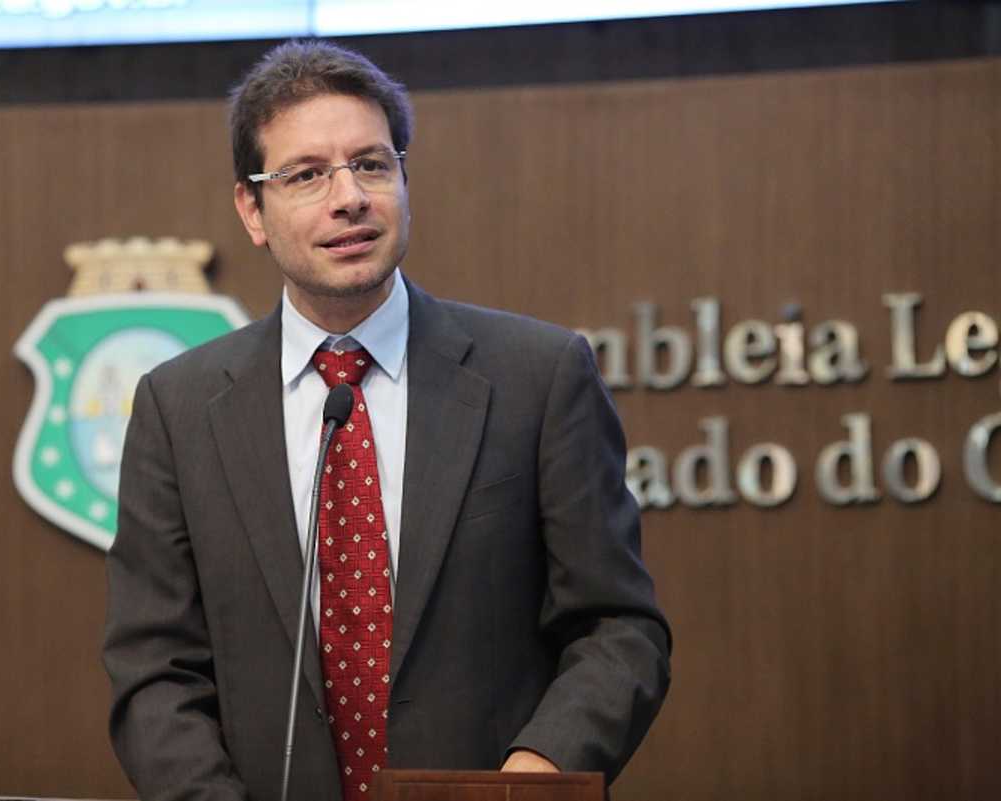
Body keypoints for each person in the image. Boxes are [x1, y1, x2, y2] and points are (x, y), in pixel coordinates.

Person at [103, 39, 671, 801]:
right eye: (307, 175)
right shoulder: (180, 408)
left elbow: (619, 629)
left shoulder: (537, 375)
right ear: (252, 209)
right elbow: (153, 671)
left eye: (371, 164)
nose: (349, 197)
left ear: (404, 179)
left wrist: (531, 778)